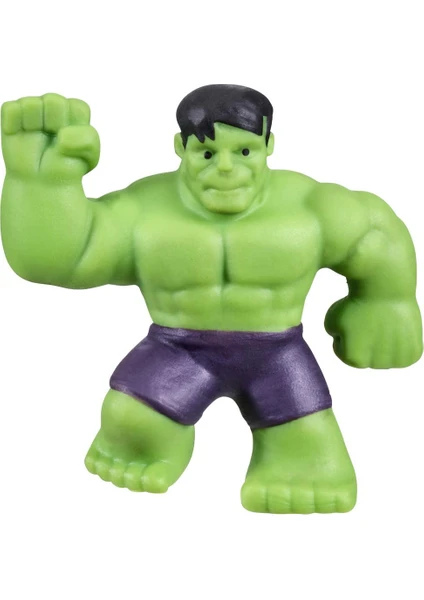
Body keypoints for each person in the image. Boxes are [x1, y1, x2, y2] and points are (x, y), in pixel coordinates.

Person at [1, 84, 421, 513]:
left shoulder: (309, 207)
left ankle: (296, 460)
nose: (225, 168)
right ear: (180, 147)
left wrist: (387, 301)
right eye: (206, 153)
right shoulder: (143, 211)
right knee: (129, 420)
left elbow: (375, 233)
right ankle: (155, 443)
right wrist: (41, 185)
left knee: (308, 445)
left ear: (269, 145)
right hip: (177, 349)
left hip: (277, 354)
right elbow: (70, 257)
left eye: (244, 152)